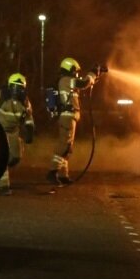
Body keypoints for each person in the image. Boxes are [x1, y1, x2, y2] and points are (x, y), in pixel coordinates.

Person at [0, 73, 34, 195]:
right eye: (15, 86)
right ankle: (3, 186)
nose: (17, 90)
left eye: (20, 87)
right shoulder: (0, 95)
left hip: (14, 131)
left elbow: (29, 116)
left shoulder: (25, 101)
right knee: (3, 157)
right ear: (10, 86)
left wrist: (30, 128)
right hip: (0, 130)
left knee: (15, 157)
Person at [48, 57, 97, 185]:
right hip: (67, 117)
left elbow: (84, 83)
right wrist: (92, 73)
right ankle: (52, 172)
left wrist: (96, 75)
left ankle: (63, 175)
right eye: (76, 71)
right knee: (64, 145)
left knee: (68, 147)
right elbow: (84, 83)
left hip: (70, 117)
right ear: (70, 69)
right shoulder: (66, 80)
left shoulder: (67, 81)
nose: (77, 73)